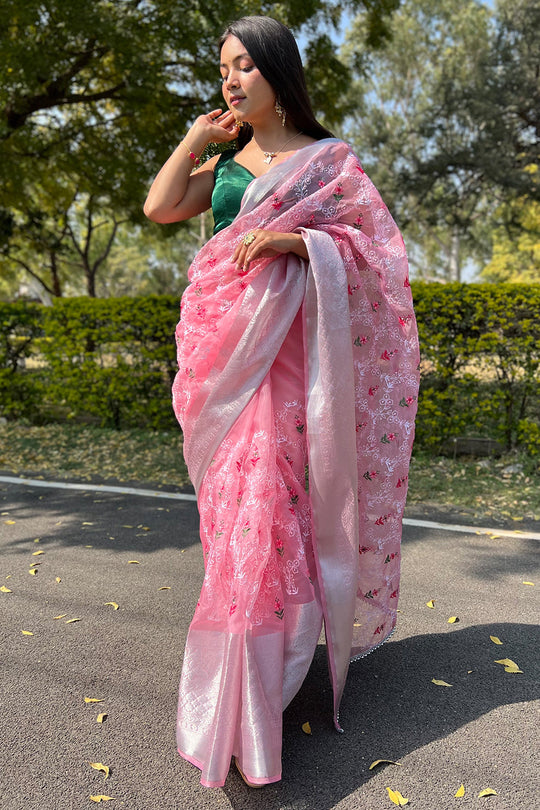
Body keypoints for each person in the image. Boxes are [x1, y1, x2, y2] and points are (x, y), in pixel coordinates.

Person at [144, 15, 420, 789]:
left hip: (294, 368)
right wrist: (196, 140)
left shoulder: (328, 163)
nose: (229, 80)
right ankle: (244, 669)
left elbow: (379, 258)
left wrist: (297, 243)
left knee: (274, 515)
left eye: (242, 67)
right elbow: (161, 208)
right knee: (234, 517)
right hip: (224, 361)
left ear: (277, 71)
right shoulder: (229, 163)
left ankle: (258, 692)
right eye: (221, 69)